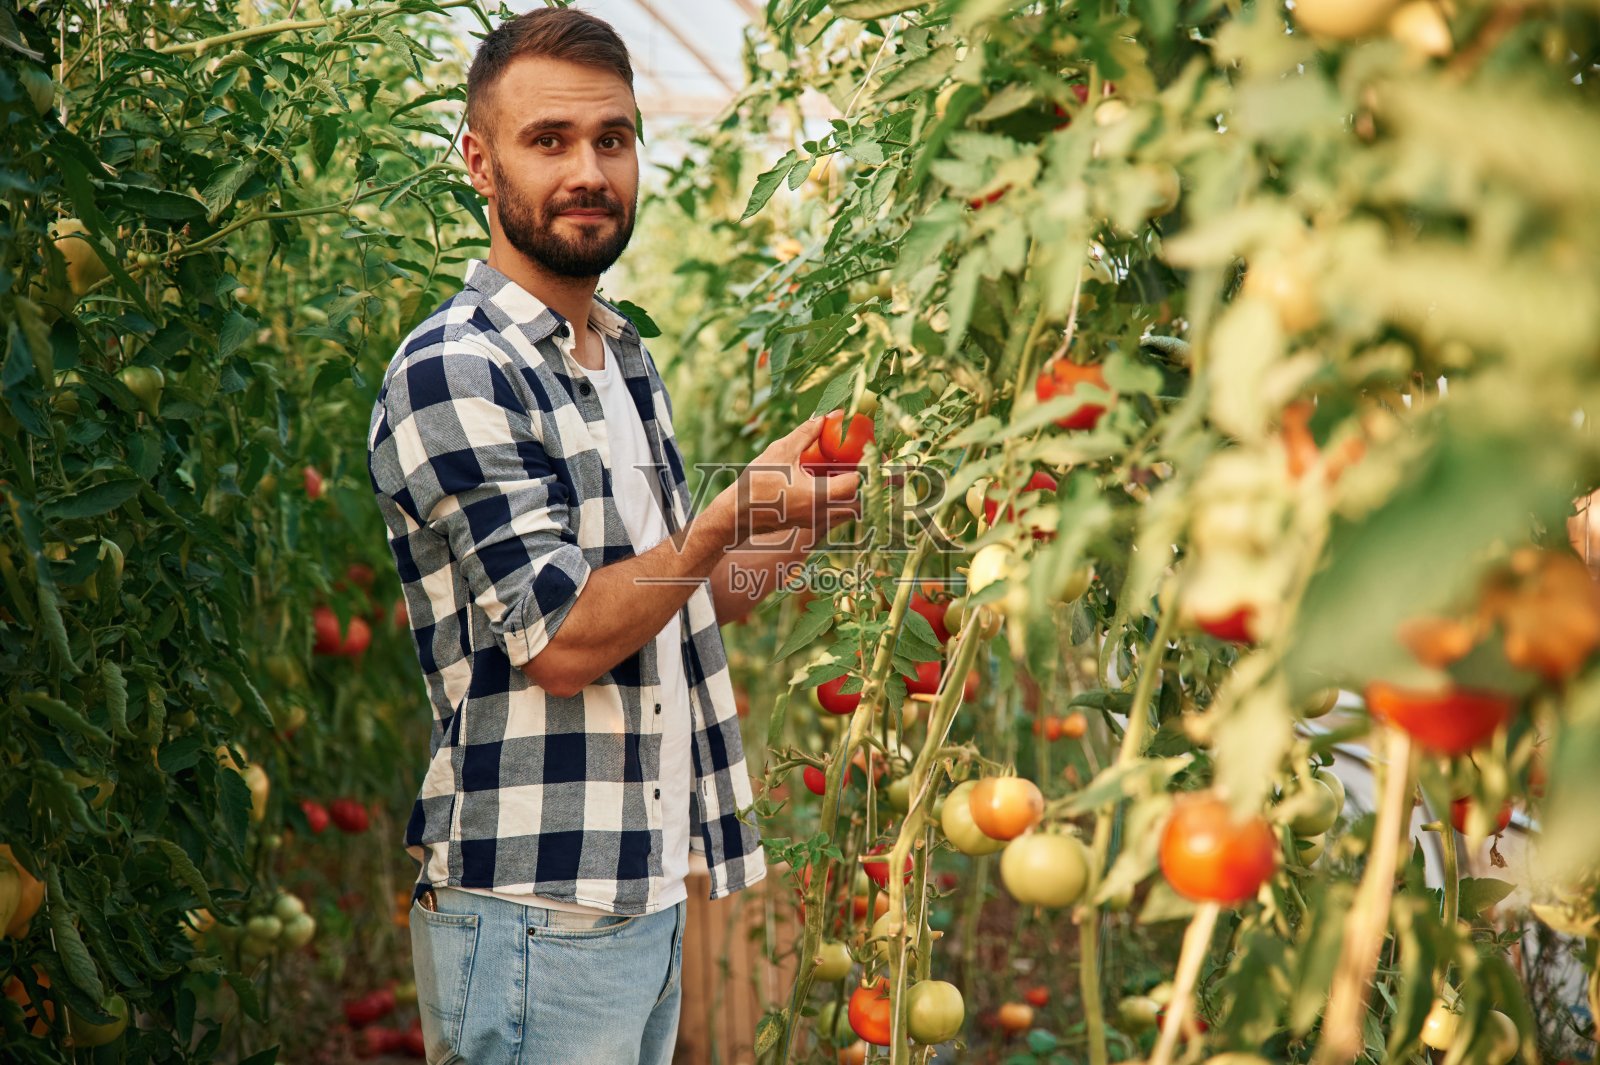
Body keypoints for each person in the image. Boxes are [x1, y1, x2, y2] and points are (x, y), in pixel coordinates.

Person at [365, 8, 860, 1063]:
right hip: (535, 910)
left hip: (639, 888)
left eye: (613, 139)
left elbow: (676, 599)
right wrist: (727, 513)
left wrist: (801, 521)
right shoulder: (457, 368)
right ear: (480, 161)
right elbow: (562, 643)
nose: (588, 171)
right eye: (549, 141)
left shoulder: (620, 356)